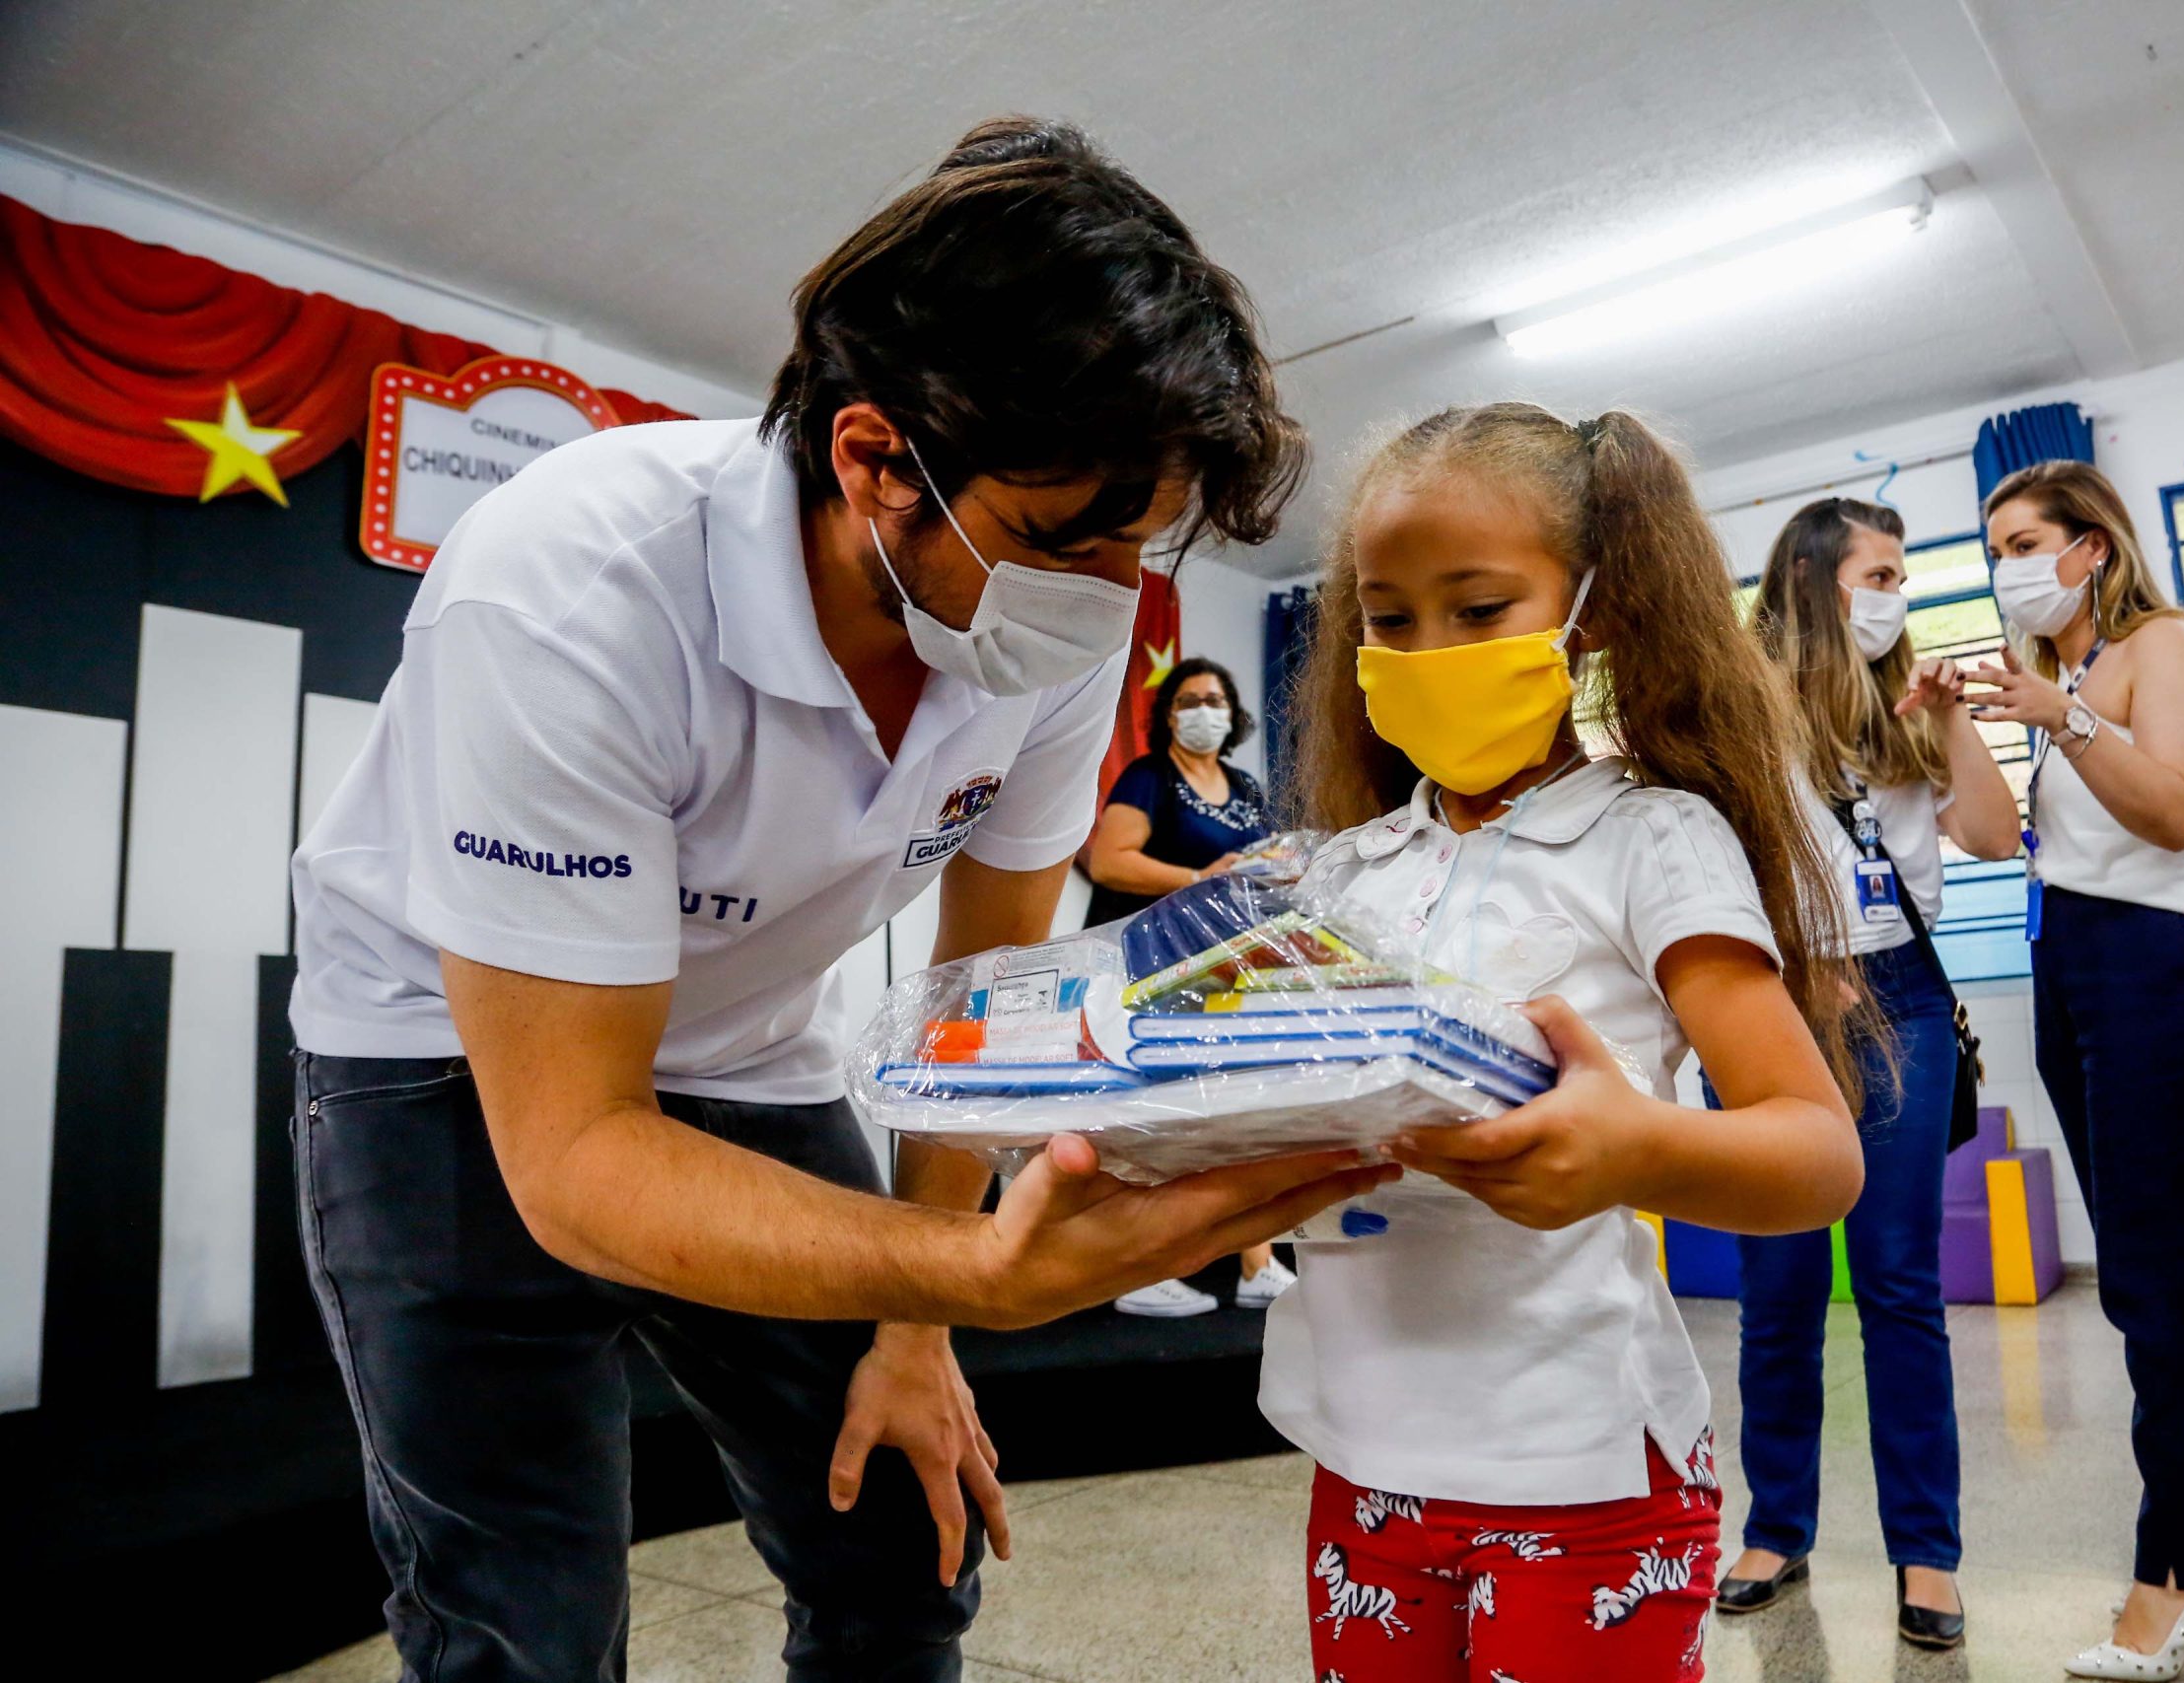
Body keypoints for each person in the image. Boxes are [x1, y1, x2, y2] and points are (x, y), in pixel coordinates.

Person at [284, 117, 1395, 1683]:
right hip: (447, 1071)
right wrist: (983, 1271)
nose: (1107, 596)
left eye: (1139, 552)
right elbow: (580, 1154)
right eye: (1058, 537)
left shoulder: (1051, 638)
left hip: (747, 1053)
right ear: (873, 455)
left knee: (902, 1535)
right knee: (516, 1624)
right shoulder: (569, 588)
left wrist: (921, 1328)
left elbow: (980, 1009)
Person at [1267, 402, 1868, 1683]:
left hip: (1583, 1473)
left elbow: (1818, 1153)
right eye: (1390, 615)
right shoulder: (1344, 872)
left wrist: (1638, 1146)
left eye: (1478, 608)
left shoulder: (1652, 838)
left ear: (1587, 609)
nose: (1427, 648)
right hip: (1362, 1460)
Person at [1966, 460, 2184, 1680]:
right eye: (1993, 547)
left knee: (2150, 1290)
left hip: (2175, 963)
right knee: (2174, 1278)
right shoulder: (2069, 674)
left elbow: (2176, 813)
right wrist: (1972, 714)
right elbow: (2000, 836)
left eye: (2026, 540)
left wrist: (2066, 721)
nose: (2008, 567)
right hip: (2080, 970)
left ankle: (2173, 1576)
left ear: (2091, 547)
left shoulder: (2167, 650)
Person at [1712, 498, 2020, 1648]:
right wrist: (1793, 974)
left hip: (1899, 1002)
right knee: (1779, 1285)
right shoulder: (1735, 706)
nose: (1896, 592)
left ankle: (1925, 1553)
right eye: (1877, 573)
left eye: (1901, 575)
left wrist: (1952, 724)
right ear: (1812, 580)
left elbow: (1993, 836)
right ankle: (1776, 1527)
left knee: (1896, 1284)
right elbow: (1713, 857)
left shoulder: (1903, 711)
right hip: (1772, 1008)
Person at [1085, 656, 1296, 1316]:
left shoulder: (1244, 785)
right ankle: (1134, 1266)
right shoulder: (1149, 777)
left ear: (1232, 715)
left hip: (1221, 964)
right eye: (1189, 700)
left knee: (1233, 1106)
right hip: (1145, 962)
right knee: (1148, 1114)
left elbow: (1258, 861)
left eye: (1216, 698)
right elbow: (1111, 860)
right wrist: (1203, 876)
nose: (1205, 709)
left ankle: (1257, 1265)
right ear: (1168, 715)